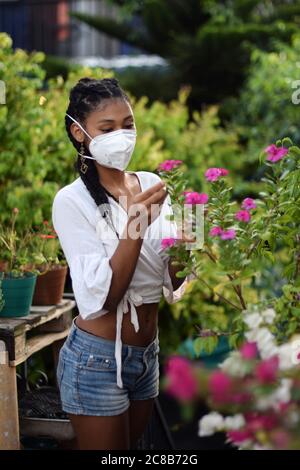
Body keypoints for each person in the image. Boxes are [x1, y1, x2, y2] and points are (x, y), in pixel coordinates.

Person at [52, 77, 194, 450]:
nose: (122, 136)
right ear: (79, 133)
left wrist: (189, 243)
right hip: (96, 361)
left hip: (146, 355)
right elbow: (107, 298)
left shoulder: (152, 184)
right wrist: (136, 222)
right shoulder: (72, 202)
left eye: (128, 125)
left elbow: (174, 281)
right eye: (107, 128)